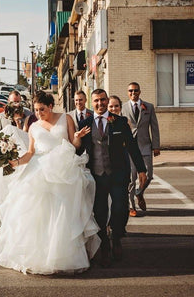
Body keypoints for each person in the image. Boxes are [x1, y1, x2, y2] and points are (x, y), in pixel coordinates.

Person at [0, 90, 100, 275]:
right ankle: (37, 255)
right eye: (36, 110)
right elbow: (31, 152)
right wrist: (13, 163)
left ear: (50, 106)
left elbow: (74, 146)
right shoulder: (33, 127)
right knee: (35, 212)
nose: (39, 113)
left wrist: (78, 138)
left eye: (42, 109)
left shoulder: (66, 119)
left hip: (64, 168)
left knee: (62, 212)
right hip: (38, 169)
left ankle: (63, 256)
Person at [77, 89, 147, 267]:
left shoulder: (120, 122)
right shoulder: (85, 123)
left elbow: (132, 147)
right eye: (96, 101)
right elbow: (78, 151)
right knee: (99, 212)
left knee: (120, 209)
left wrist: (141, 169)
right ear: (91, 103)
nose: (99, 104)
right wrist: (77, 139)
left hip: (118, 174)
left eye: (102, 100)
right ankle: (105, 246)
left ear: (107, 100)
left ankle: (116, 237)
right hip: (97, 175)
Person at [121, 82, 160, 216]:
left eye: (135, 90)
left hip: (145, 146)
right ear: (128, 92)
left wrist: (156, 146)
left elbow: (154, 127)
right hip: (130, 148)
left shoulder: (148, 107)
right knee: (131, 178)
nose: (133, 93)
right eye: (130, 91)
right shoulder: (123, 108)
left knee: (148, 176)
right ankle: (132, 206)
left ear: (140, 91)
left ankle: (139, 193)